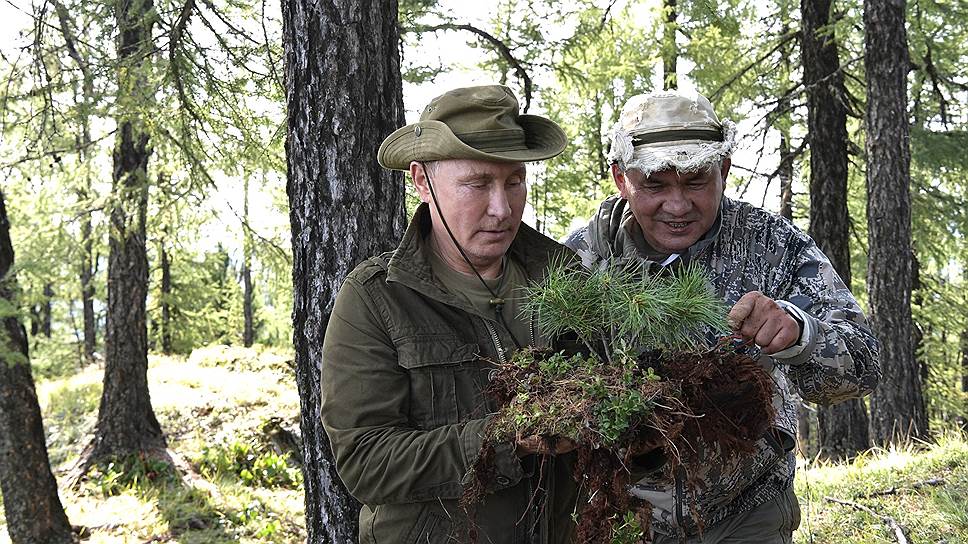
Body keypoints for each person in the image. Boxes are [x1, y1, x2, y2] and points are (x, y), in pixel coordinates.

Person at [565, 90, 881, 543]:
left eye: (696, 181)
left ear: (725, 171)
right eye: (654, 184)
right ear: (621, 179)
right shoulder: (581, 260)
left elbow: (865, 366)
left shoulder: (770, 245)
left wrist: (800, 333)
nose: (677, 205)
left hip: (743, 513)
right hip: (618, 517)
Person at [321, 85, 578, 544]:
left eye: (514, 182)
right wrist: (504, 439)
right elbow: (365, 462)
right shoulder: (377, 298)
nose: (501, 209)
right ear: (422, 181)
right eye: (477, 184)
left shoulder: (564, 277)